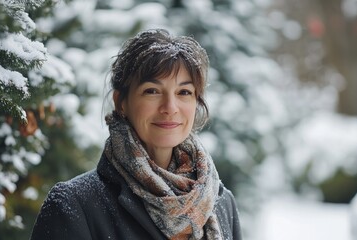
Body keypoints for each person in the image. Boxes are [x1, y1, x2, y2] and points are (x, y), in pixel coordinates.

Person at [30, 29, 242, 240]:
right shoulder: (74, 204)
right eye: (152, 91)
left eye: (184, 92)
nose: (170, 107)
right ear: (121, 102)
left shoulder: (222, 203)